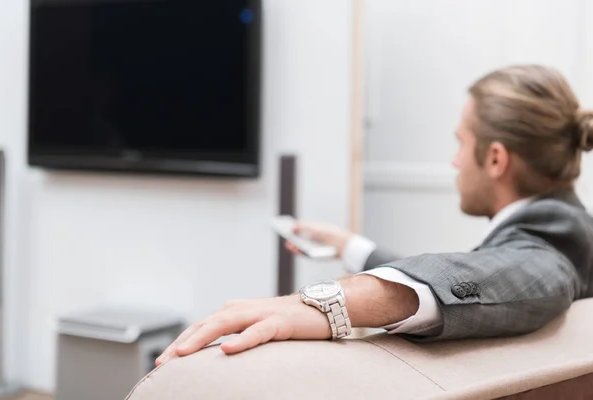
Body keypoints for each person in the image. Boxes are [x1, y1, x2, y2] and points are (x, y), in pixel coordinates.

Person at [156, 64, 593, 366]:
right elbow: (465, 279)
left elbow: (515, 278)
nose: (456, 161)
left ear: (496, 159)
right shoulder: (562, 224)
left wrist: (320, 303)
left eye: (461, 142)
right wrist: (351, 248)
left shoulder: (552, 248)